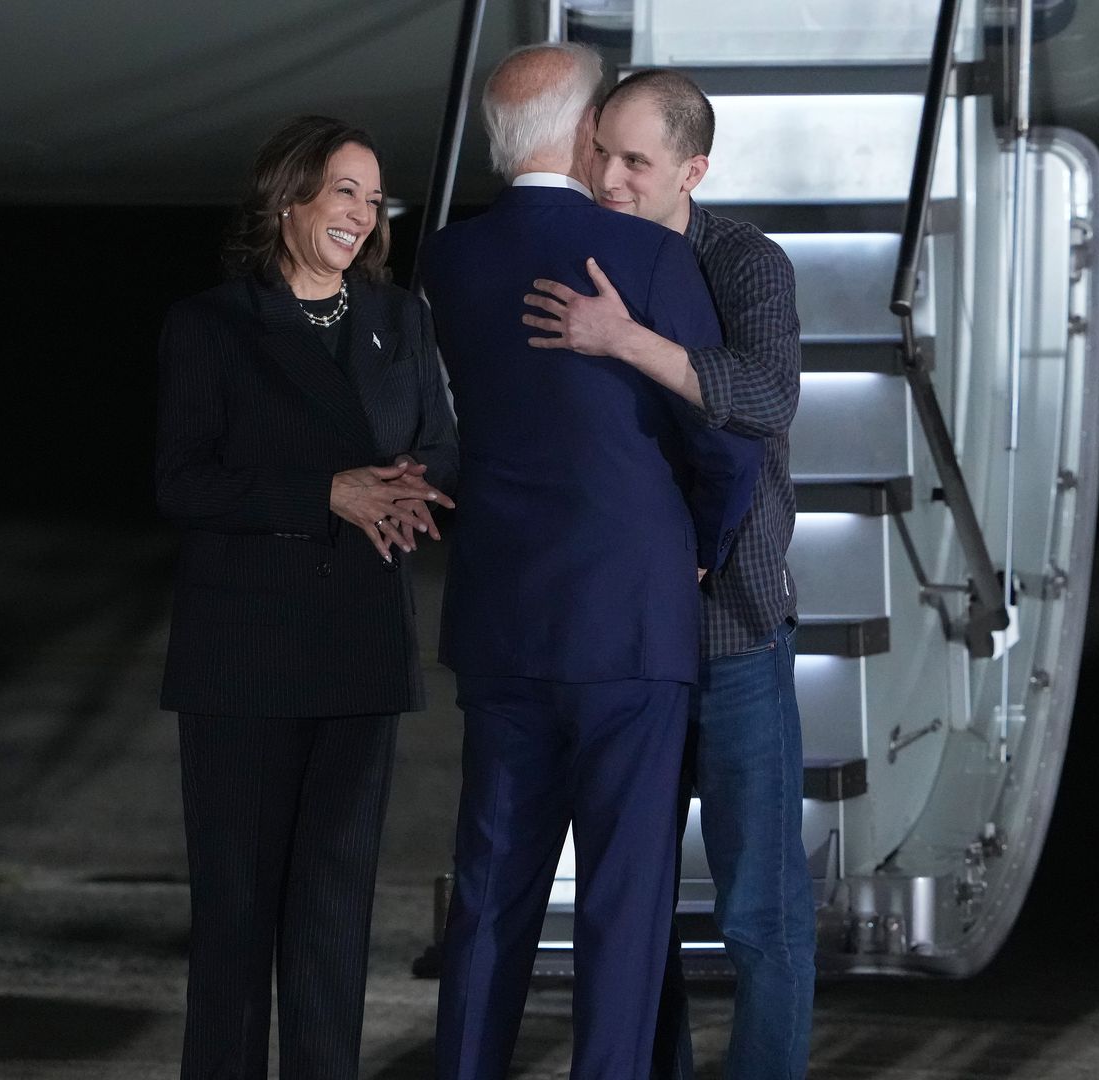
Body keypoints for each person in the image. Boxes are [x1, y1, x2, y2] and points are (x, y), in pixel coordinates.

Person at [421, 43, 761, 1080]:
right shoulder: (649, 259)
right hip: (630, 621)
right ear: (580, 138)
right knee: (623, 899)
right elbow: (727, 440)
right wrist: (695, 555)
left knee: (490, 890)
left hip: (502, 620)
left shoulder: (446, 260)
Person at [153, 114, 458, 1080]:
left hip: (361, 649)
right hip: (243, 656)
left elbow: (443, 442)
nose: (362, 216)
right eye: (343, 193)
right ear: (288, 201)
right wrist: (326, 491)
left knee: (333, 924)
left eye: (374, 199)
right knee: (238, 923)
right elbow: (183, 483)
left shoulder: (400, 319)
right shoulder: (211, 325)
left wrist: (411, 482)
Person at [522, 69, 811, 1080]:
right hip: (625, 638)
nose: (606, 175)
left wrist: (625, 340)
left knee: (759, 913)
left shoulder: (743, 262)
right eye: (599, 149)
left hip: (733, 633)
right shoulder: (580, 252)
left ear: (693, 169)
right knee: (636, 904)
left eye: (634, 161)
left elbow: (766, 396)